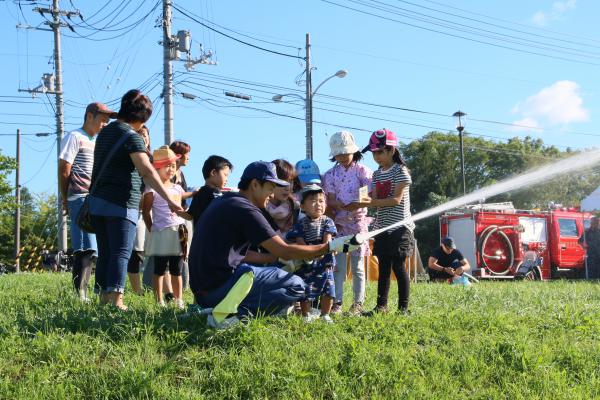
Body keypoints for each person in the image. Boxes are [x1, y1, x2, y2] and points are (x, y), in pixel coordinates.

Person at [188, 161, 359, 328]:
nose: (272, 194)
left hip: (203, 292)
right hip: (219, 289)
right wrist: (330, 246)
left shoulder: (227, 200)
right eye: (270, 188)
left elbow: (240, 254)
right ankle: (230, 314)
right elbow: (284, 250)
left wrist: (273, 257)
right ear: (255, 185)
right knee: (297, 285)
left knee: (274, 273)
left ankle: (222, 311)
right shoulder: (246, 209)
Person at [88, 89, 183, 310]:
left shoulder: (105, 133)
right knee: (121, 252)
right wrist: (169, 199)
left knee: (106, 252)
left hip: (98, 201)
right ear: (141, 118)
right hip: (121, 203)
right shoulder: (132, 137)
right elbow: (147, 172)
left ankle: (103, 298)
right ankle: (117, 299)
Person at [59, 102, 117, 301]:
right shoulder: (75, 136)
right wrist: (65, 198)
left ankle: (94, 291)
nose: (104, 124)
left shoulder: (97, 141)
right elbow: (64, 168)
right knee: (84, 247)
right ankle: (80, 295)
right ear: (89, 115)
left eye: (107, 121)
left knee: (96, 249)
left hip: (95, 198)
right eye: (102, 120)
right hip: (79, 197)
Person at [352, 129, 413, 314]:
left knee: (398, 266)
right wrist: (364, 199)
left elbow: (395, 200)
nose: (376, 156)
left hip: (400, 227)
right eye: (373, 153)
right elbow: (374, 199)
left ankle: (403, 308)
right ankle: (381, 306)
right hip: (382, 228)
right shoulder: (377, 174)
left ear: (391, 150)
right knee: (384, 267)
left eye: (380, 152)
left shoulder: (400, 172)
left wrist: (373, 201)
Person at [323, 131, 372, 315]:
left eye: (346, 153)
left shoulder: (363, 171)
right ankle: (337, 302)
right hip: (339, 225)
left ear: (354, 152)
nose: (343, 157)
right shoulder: (330, 175)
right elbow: (331, 198)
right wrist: (339, 204)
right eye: (339, 153)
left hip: (358, 222)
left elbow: (366, 194)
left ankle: (358, 302)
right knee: (339, 266)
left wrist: (356, 204)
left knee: (358, 265)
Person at [143, 146, 192, 308]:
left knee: (177, 269)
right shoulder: (151, 189)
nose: (171, 169)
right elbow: (146, 211)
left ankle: (179, 299)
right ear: (157, 167)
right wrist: (152, 229)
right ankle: (159, 300)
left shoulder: (177, 187)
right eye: (167, 166)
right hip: (161, 232)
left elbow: (181, 209)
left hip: (179, 231)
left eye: (173, 165)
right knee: (160, 269)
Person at [286, 185, 337, 323]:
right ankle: (306, 314)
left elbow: (328, 240)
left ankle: (325, 314)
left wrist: (324, 250)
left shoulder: (328, 221)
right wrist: (311, 253)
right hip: (306, 263)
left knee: (329, 289)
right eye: (313, 201)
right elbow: (300, 242)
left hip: (325, 263)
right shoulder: (300, 224)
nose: (318, 204)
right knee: (305, 290)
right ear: (302, 206)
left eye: (321, 201)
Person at [127, 124, 152, 295]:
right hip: (136, 210)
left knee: (157, 253)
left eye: (145, 134)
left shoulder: (154, 159)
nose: (143, 137)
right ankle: (137, 290)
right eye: (139, 134)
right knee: (136, 251)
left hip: (155, 211)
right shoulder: (130, 157)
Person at [188, 155, 233, 228]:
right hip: (213, 236)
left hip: (198, 236)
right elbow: (222, 211)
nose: (226, 179)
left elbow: (190, 215)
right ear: (213, 172)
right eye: (225, 175)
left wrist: (176, 209)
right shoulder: (215, 191)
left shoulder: (198, 193)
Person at [266, 159, 299, 236]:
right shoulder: (258, 207)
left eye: (290, 181)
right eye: (281, 182)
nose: (287, 187)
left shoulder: (295, 207)